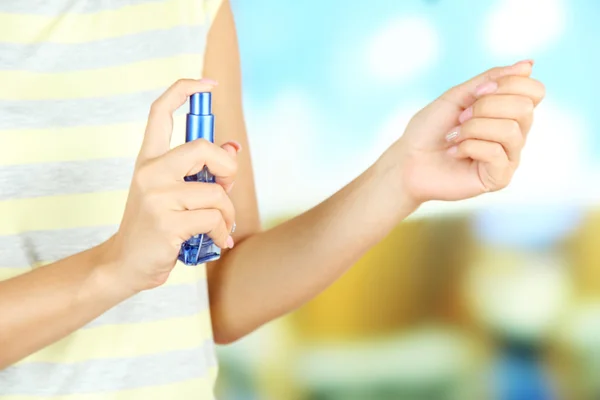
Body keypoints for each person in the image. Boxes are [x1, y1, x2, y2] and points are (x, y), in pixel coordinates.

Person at [0, 0, 545, 398]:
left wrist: (400, 177)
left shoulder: (194, 11)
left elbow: (217, 296)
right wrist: (113, 268)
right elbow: (126, 268)